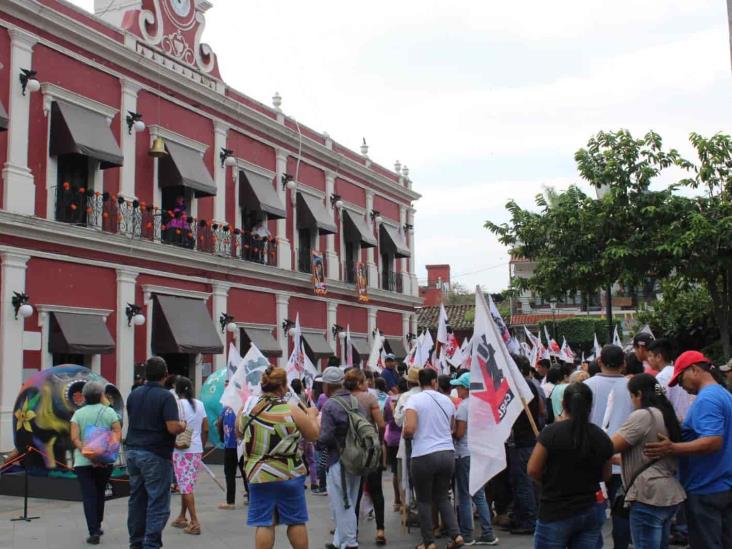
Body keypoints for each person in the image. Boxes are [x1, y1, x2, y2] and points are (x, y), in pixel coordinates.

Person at [644, 351, 732, 548]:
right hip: (722, 484)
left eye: (681, 379)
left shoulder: (707, 399)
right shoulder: (723, 394)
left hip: (706, 488)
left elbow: (713, 441)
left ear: (694, 370)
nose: (681, 386)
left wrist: (672, 447)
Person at [238, 366, 319, 549]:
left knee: (265, 522)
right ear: (283, 387)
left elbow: (238, 431)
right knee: (295, 520)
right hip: (288, 472)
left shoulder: (248, 407)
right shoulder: (291, 410)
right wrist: (312, 415)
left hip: (259, 473)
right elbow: (313, 435)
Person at [527, 382, 614, 549]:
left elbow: (533, 469)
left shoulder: (551, 433)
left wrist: (548, 482)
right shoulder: (600, 436)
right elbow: (606, 474)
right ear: (590, 406)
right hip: (589, 508)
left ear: (563, 404)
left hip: (555, 510)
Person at [611, 374, 686, 549]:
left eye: (631, 396)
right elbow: (643, 456)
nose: (632, 401)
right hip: (666, 490)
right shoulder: (666, 414)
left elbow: (611, 445)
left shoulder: (643, 415)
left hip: (647, 494)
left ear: (638, 394)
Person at [126, 356, 187, 549]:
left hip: (132, 450)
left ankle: (135, 542)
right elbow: (171, 427)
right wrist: (182, 425)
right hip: (155, 453)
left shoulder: (134, 394)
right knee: (158, 502)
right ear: (166, 374)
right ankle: (151, 543)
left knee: (137, 499)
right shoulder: (165, 396)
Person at [402, 368, 463, 549]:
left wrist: (406, 433)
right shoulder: (448, 401)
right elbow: (451, 427)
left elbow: (410, 428)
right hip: (447, 453)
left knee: (424, 500)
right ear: (435, 381)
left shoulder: (414, 400)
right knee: (443, 497)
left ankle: (428, 542)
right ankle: (456, 535)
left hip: (423, 454)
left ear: (419, 382)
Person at [584, 344, 634, 549]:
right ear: (624, 364)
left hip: (591, 460)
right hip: (624, 460)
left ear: (599, 362)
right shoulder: (633, 387)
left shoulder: (585, 386)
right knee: (622, 512)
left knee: (590, 512)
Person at [69, 381, 122, 545]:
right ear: (101, 395)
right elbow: (118, 431)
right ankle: (97, 525)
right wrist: (105, 451)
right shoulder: (109, 412)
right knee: (100, 493)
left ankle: (93, 531)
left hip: (83, 462)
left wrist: (88, 453)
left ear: (84, 396)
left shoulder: (78, 414)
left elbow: (74, 438)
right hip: (105, 461)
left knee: (89, 495)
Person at [451, 372, 499, 546]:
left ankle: (468, 535)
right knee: (479, 494)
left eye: (460, 387)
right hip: (479, 452)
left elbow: (460, 433)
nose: (457, 390)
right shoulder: (483, 404)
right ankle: (488, 533)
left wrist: (452, 432)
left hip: (464, 453)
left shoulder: (464, 407)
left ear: (466, 388)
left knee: (464, 495)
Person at [319, 366, 361, 549]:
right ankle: (339, 540)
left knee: (342, 503)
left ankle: (350, 541)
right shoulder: (353, 400)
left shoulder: (330, 405)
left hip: (338, 458)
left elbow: (326, 436)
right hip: (356, 456)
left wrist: (316, 442)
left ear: (328, 385)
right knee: (350, 497)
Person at [345, 368, 387, 546]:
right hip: (370, 449)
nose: (368, 384)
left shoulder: (342, 400)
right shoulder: (370, 398)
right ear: (359, 383)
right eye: (365, 381)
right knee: (376, 489)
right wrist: (378, 438)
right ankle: (380, 530)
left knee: (354, 491)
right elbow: (381, 423)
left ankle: (352, 532)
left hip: (351, 451)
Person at [170, 377, 208, 535]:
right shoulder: (200, 404)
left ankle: (194, 521)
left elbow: (172, 426)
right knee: (187, 484)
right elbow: (205, 428)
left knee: (185, 486)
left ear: (177, 390)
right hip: (196, 449)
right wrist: (202, 446)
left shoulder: (177, 404)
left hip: (181, 450)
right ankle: (181, 516)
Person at [509, 355, 542, 535]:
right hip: (523, 440)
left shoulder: (523, 386)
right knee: (520, 482)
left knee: (524, 482)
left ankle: (529, 520)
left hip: (523, 441)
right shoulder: (528, 384)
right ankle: (522, 516)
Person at [383, 379, 406, 512]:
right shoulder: (412, 398)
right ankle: (407, 500)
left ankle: (398, 500)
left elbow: (385, 418)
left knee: (396, 472)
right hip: (408, 438)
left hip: (393, 439)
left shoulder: (390, 400)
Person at [217, 396, 244, 510]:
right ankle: (251, 497)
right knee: (246, 472)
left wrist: (222, 437)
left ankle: (230, 501)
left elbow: (219, 423)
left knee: (230, 473)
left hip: (230, 445)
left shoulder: (226, 408)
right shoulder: (243, 407)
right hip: (242, 445)